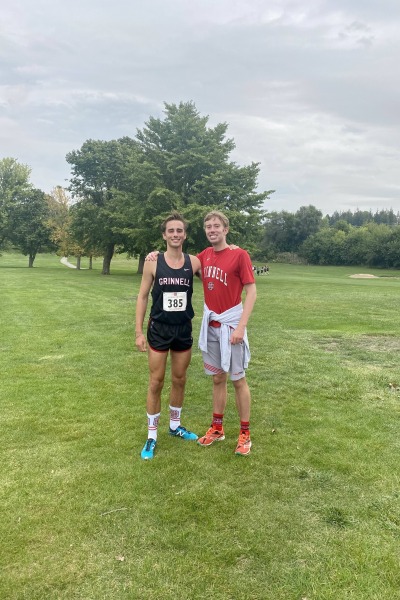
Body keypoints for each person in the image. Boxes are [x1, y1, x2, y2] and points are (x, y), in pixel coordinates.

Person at [135, 212, 201, 460]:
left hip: (183, 328)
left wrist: (233, 248)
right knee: (156, 382)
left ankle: (175, 426)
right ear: (164, 235)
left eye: (179, 231)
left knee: (180, 379)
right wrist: (138, 332)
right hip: (159, 329)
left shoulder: (194, 262)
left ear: (185, 234)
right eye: (170, 231)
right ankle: (151, 436)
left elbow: (219, 265)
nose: (175, 234)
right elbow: (142, 296)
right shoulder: (153, 262)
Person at [197, 211, 257, 456]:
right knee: (217, 379)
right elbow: (176, 259)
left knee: (238, 379)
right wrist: (154, 255)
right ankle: (218, 428)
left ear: (225, 229)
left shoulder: (239, 255)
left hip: (232, 327)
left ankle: (245, 433)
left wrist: (241, 327)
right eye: (208, 226)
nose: (212, 230)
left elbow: (251, 292)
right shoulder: (203, 256)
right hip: (211, 327)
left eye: (216, 226)